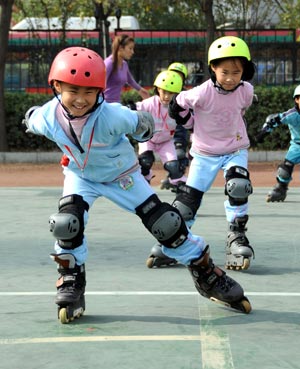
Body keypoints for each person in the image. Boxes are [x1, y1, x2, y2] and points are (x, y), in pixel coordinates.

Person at [23, 46, 251, 323]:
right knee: (66, 224)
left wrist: (144, 126)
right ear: (56, 86)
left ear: (100, 91)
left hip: (123, 176)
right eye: (73, 91)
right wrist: (30, 115)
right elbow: (32, 117)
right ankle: (71, 279)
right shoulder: (46, 118)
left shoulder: (113, 115)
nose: (81, 100)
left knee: (166, 223)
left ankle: (204, 271)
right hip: (81, 177)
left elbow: (142, 124)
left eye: (89, 92)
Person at [165, 36, 256, 271]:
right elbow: (177, 104)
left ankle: (236, 236)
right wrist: (187, 121)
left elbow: (241, 110)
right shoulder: (201, 92)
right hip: (204, 153)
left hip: (235, 149)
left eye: (236, 72)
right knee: (186, 202)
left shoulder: (246, 90)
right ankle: (176, 241)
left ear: (244, 71)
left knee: (238, 185)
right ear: (213, 68)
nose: (230, 78)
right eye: (224, 71)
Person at [136, 70, 191, 187]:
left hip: (166, 141)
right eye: (164, 92)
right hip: (148, 139)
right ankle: (145, 177)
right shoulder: (150, 103)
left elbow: (190, 121)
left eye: (171, 93)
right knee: (145, 161)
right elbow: (136, 109)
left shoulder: (178, 107)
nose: (166, 96)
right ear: (157, 90)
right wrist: (128, 109)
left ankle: (178, 186)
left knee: (173, 167)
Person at [256, 84, 300, 202]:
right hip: (297, 146)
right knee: (284, 170)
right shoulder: (292, 115)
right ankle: (281, 189)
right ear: (296, 99)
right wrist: (264, 132)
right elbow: (274, 119)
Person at [159, 62, 191, 191]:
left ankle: (178, 180)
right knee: (170, 158)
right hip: (166, 131)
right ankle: (172, 176)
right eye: (173, 74)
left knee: (180, 153)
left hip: (180, 130)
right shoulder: (162, 93)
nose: (175, 78)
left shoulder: (186, 95)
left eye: (179, 76)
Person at [104, 34, 150, 103]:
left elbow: (130, 80)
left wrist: (141, 90)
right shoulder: (109, 63)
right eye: (130, 48)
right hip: (105, 104)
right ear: (120, 48)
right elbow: (100, 84)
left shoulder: (124, 64)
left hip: (116, 104)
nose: (132, 52)